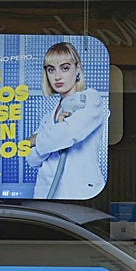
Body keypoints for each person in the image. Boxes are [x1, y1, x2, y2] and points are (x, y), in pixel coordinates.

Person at [27, 41, 107, 199]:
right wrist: (56, 130)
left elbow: (70, 133)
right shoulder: (48, 116)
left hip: (79, 194)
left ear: (77, 69)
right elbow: (31, 158)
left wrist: (36, 139)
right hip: (47, 195)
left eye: (64, 68)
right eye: (51, 70)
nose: (57, 76)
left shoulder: (90, 99)